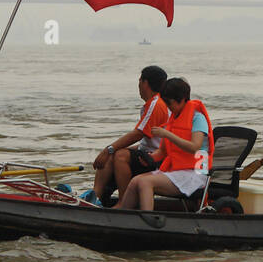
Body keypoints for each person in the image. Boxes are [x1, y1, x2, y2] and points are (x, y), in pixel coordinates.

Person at [118, 77, 215, 211]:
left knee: (145, 182)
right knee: (135, 181)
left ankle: (148, 219)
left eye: (169, 104)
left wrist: (167, 134)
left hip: (196, 173)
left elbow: (195, 147)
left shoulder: (198, 118)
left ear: (181, 99)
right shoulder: (174, 118)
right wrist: (150, 158)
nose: (168, 108)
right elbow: (163, 151)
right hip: (176, 170)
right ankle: (121, 215)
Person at [88, 65, 169, 206]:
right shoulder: (153, 104)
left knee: (120, 155)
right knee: (112, 155)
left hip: (157, 158)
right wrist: (109, 151)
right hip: (150, 152)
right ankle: (94, 197)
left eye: (139, 81)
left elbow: (138, 134)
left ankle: (124, 202)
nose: (138, 86)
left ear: (145, 83)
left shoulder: (156, 104)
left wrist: (108, 149)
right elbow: (147, 140)